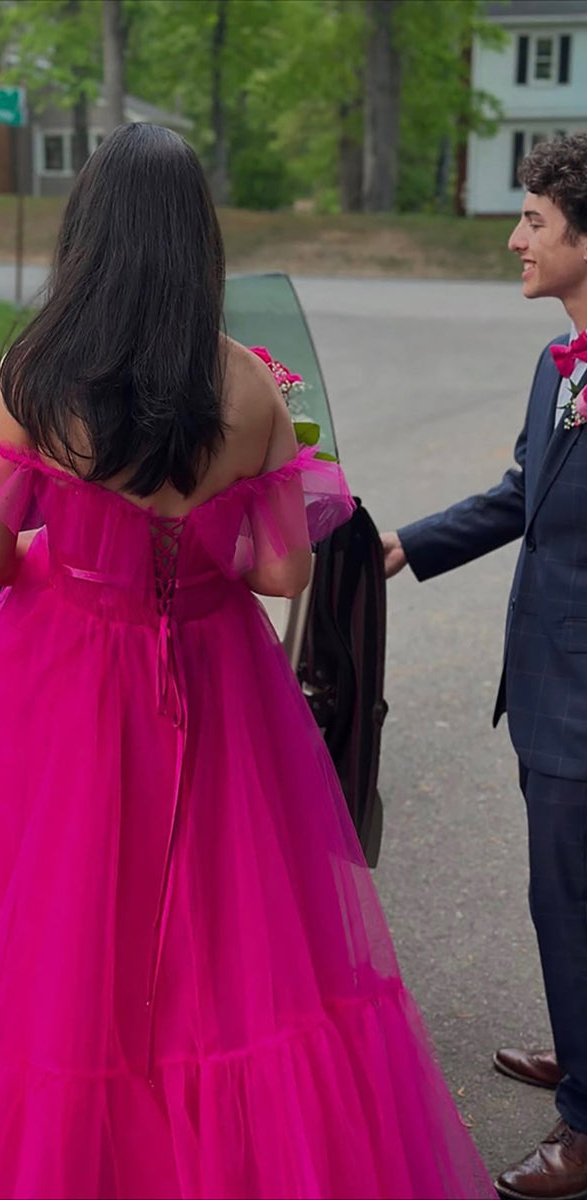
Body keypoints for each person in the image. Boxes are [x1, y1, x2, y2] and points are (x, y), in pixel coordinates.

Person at [0, 123, 493, 1200]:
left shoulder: (36, 372)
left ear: (91, 237)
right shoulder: (249, 388)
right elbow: (281, 576)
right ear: (193, 244)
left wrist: (66, 557)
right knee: (218, 940)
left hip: (60, 683)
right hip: (216, 686)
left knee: (57, 935)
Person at [381, 131, 587, 1200]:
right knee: (563, 899)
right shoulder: (554, 363)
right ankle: (580, 1045)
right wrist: (400, 546)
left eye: (534, 223)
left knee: (567, 897)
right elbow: (519, 495)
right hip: (549, 686)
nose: (513, 239)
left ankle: (583, 1129)